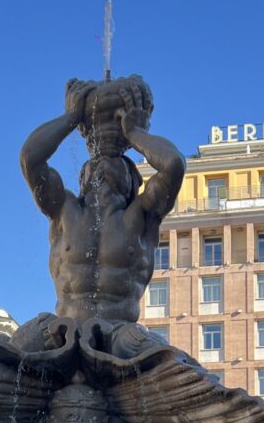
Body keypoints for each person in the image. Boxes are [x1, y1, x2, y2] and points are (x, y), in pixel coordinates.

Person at [20, 75, 185, 325]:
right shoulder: (63, 209)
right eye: (94, 168)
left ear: (132, 181)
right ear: (83, 178)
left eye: (115, 167)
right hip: (64, 336)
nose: (102, 171)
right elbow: (30, 157)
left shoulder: (142, 215)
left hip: (121, 338)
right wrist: (71, 117)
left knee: (182, 365)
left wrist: (135, 132)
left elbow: (173, 164)